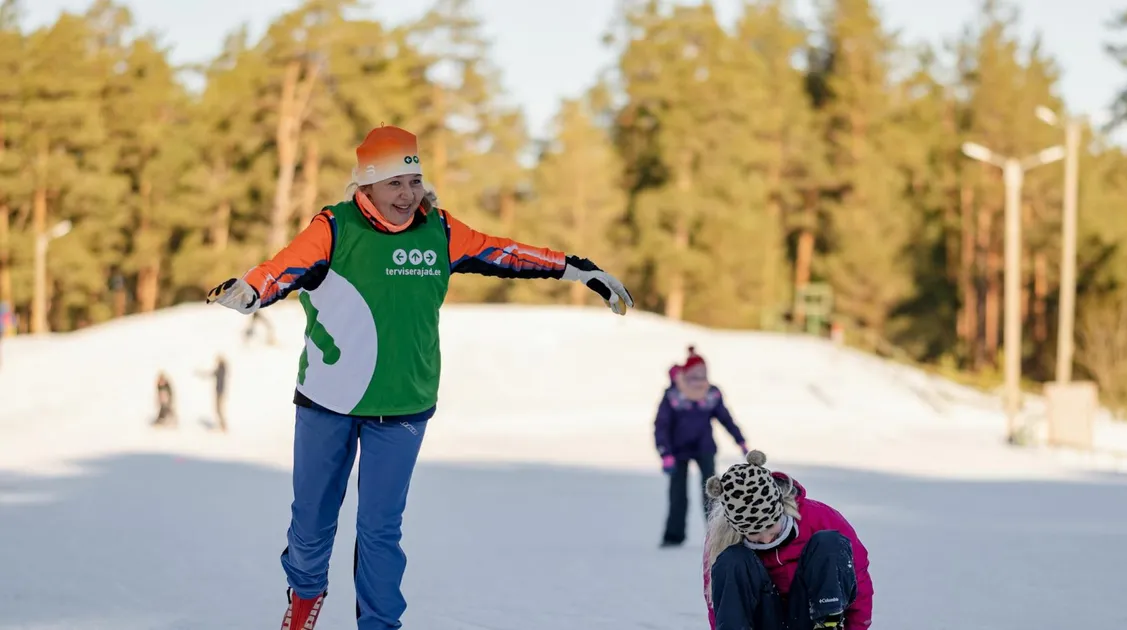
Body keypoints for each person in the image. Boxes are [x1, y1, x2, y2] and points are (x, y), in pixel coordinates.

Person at [206, 125, 633, 630]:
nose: (408, 195)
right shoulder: (334, 228)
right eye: (395, 184)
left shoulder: (442, 231)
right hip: (327, 401)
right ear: (365, 188)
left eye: (414, 181)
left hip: (403, 406)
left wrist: (577, 269)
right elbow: (283, 267)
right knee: (311, 525)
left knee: (380, 532)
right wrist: (252, 291)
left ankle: (381, 625)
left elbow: (507, 253)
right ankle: (304, 599)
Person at [702, 450, 874, 630]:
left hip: (809, 617)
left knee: (828, 542)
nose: (766, 538)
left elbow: (858, 578)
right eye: (754, 534)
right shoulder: (722, 540)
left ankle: (829, 624)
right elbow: (719, 604)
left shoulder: (819, 517)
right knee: (732, 560)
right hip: (764, 621)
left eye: (770, 527)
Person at [655, 345, 748, 548]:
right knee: (678, 494)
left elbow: (726, 418)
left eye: (703, 375)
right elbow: (661, 425)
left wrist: (740, 440)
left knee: (711, 493)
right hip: (677, 451)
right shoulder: (674, 395)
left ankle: (719, 535)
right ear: (686, 374)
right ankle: (674, 535)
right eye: (695, 375)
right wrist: (665, 453)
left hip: (704, 447)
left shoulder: (711, 394)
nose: (699, 380)